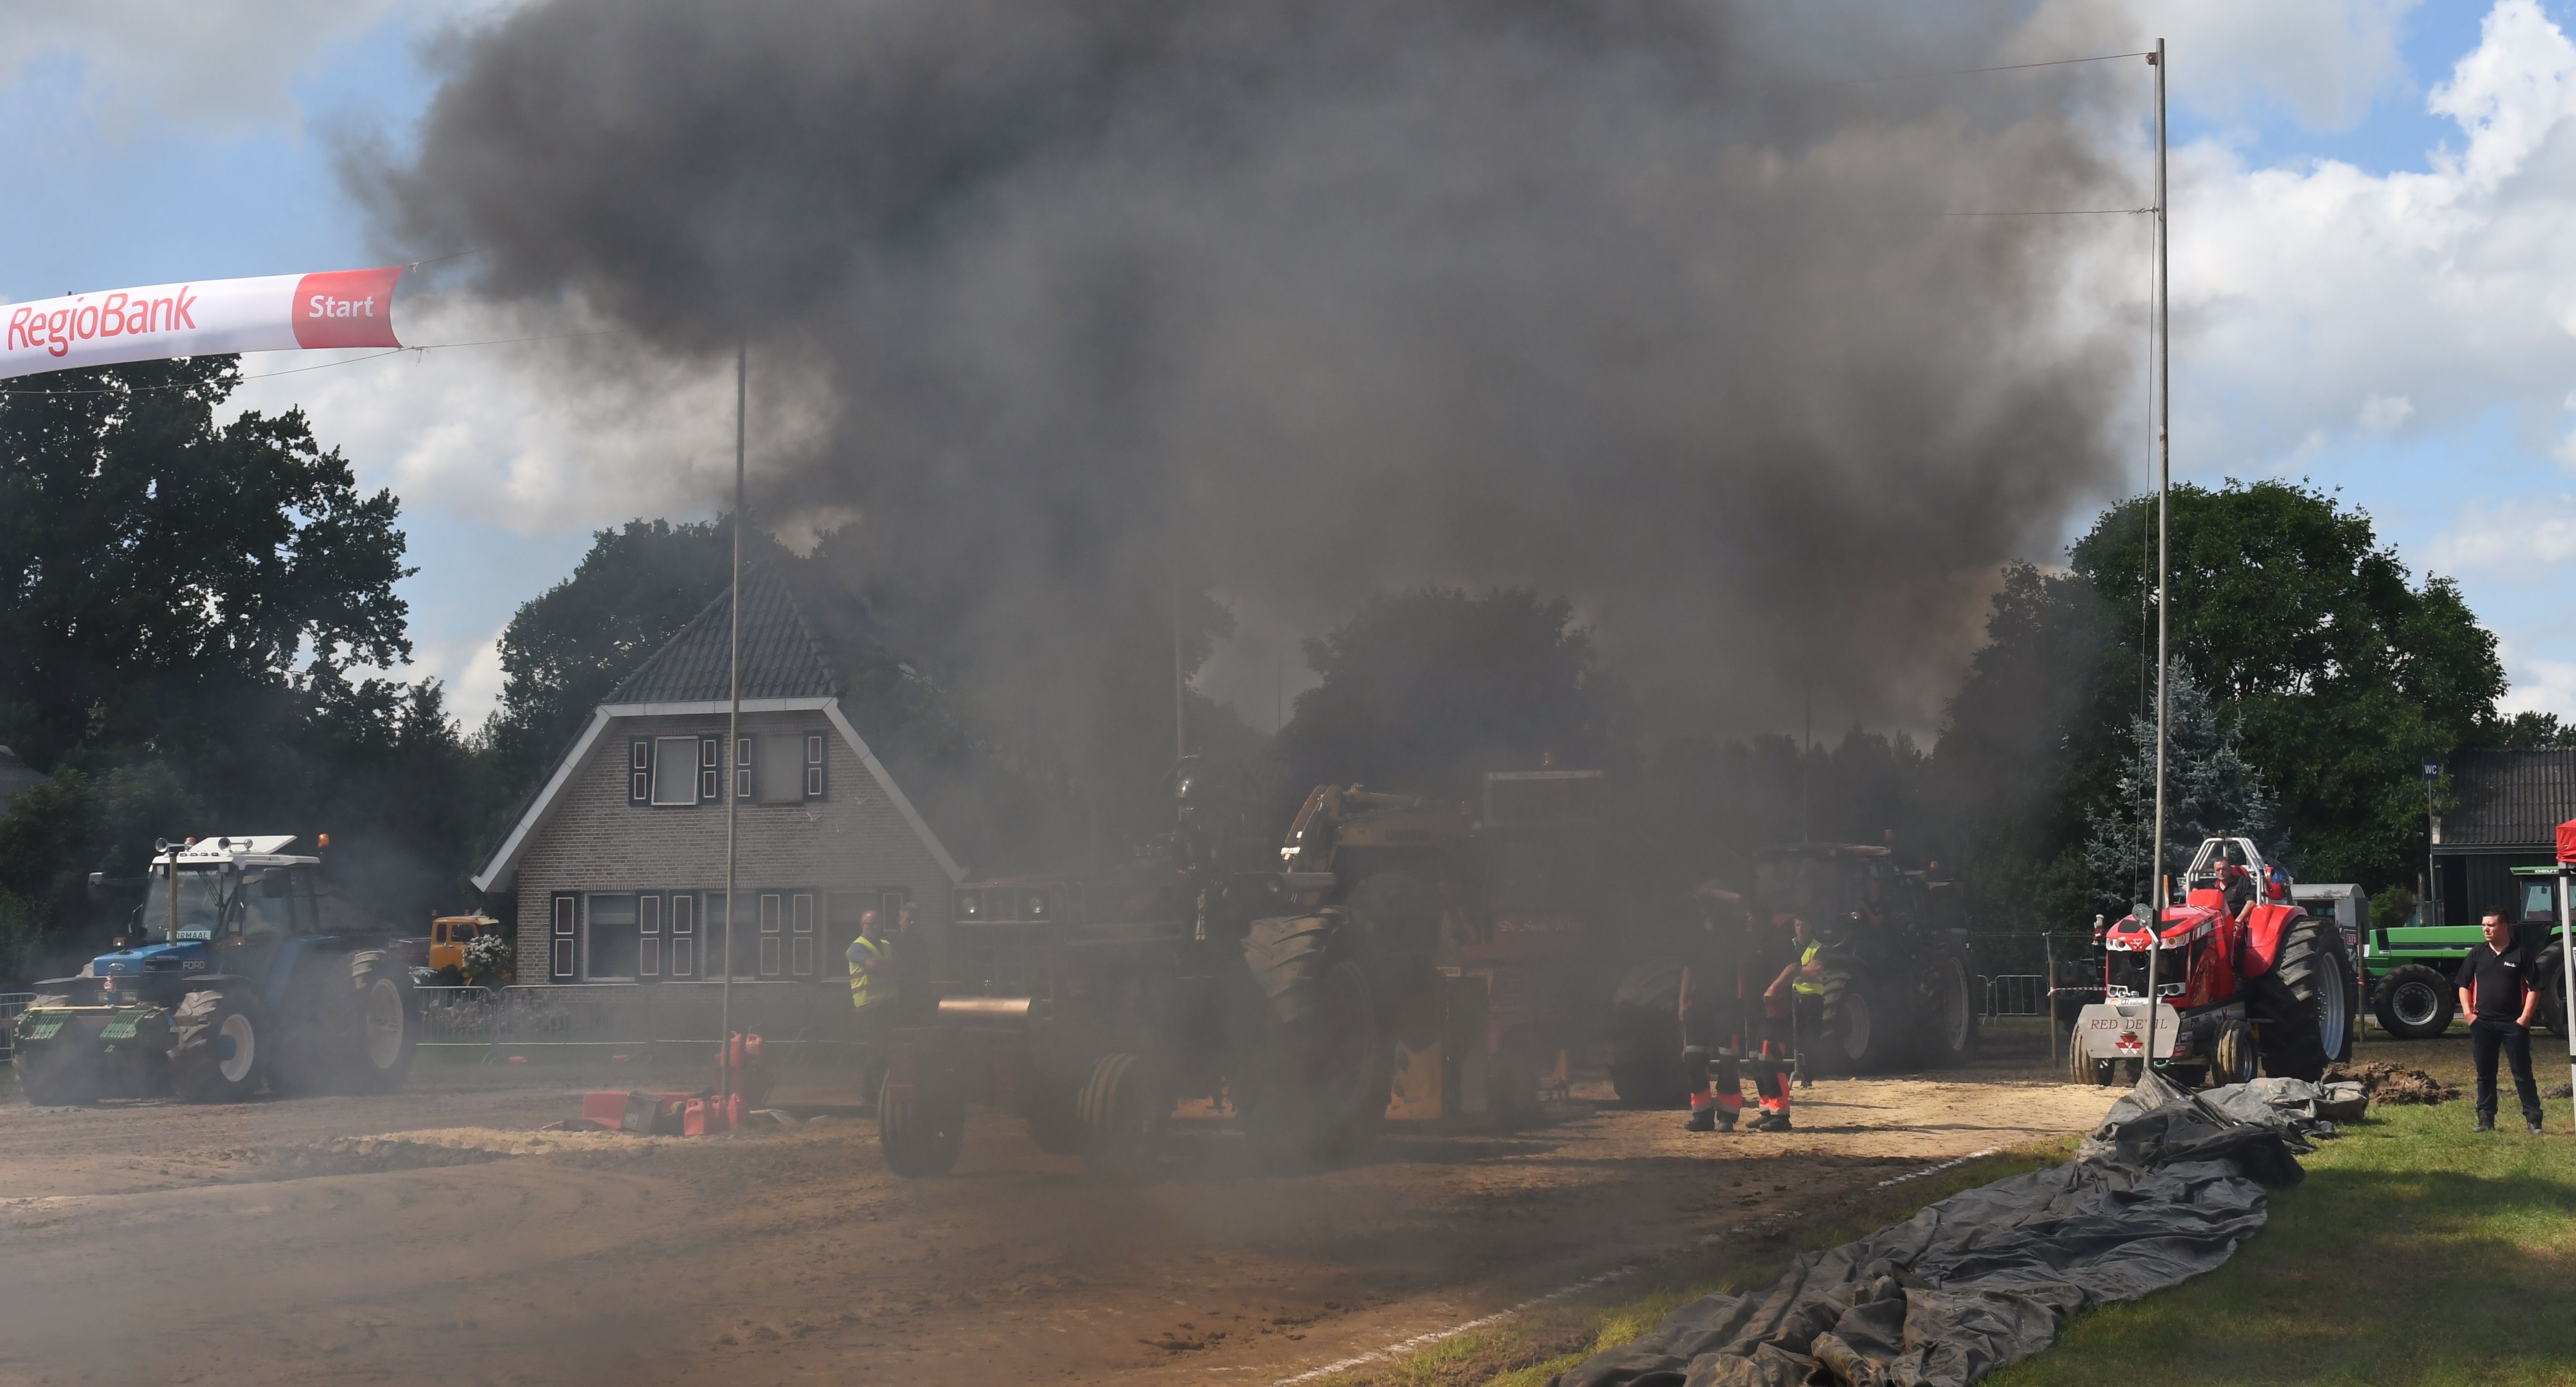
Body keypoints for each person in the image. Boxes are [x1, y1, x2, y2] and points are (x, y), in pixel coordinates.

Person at [2455, 911, 2546, 1134]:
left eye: (2491, 925)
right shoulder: (2477, 954)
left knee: (2522, 1073)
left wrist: (2525, 1019)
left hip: (2513, 1024)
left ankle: (2534, 1120)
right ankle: (2486, 1119)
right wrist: (2469, 1015)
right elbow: (2463, 985)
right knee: (2485, 1074)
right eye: (2484, 925)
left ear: (2505, 927)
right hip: (2483, 1024)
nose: (2486, 929)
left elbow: (2535, 988)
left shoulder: (2521, 954)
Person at [848, 908, 900, 1105]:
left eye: (878, 923)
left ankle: (870, 1093)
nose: (875, 927)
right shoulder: (857, 947)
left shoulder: (886, 945)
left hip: (887, 1004)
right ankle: (876, 1092)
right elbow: (873, 966)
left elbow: (900, 967)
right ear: (862, 925)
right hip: (869, 1005)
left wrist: (885, 965)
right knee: (877, 1050)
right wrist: (889, 965)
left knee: (881, 1050)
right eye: (870, 923)